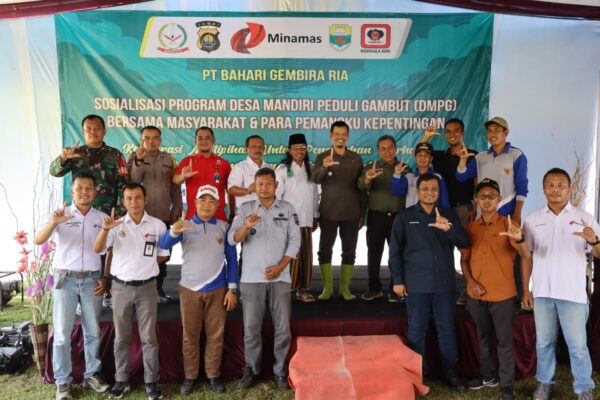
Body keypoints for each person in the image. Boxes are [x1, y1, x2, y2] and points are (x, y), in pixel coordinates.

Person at [521, 168, 598, 400]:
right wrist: (526, 289)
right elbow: (526, 256)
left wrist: (595, 241)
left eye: (561, 185)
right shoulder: (533, 219)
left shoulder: (584, 218)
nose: (556, 189)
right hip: (543, 292)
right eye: (551, 185)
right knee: (544, 343)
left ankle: (584, 387)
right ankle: (545, 383)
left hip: (573, 293)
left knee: (578, 346)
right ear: (544, 188)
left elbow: (599, 252)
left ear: (569, 188)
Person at [389, 173, 469, 391]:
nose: (430, 193)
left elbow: (464, 243)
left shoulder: (448, 214)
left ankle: (450, 372)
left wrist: (449, 229)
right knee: (416, 330)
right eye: (425, 189)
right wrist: (398, 280)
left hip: (444, 283)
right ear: (417, 191)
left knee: (446, 328)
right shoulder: (405, 217)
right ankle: (417, 373)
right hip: (416, 284)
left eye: (434, 189)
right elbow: (395, 251)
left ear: (439, 191)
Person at [34, 173, 111, 400]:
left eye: (89, 188)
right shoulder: (60, 215)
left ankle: (92, 375)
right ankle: (63, 382)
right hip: (65, 280)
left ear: (95, 191)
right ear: (72, 191)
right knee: (61, 334)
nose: (84, 192)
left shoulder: (102, 218)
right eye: (80, 188)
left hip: (92, 280)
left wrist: (105, 277)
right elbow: (38, 240)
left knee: (93, 331)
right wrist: (53, 223)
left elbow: (109, 250)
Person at [158, 185, 238, 395]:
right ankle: (190, 376)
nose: (206, 205)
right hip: (190, 290)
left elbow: (232, 259)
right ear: (194, 202)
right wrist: (174, 231)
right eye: (202, 200)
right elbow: (164, 243)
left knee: (216, 336)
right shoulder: (184, 225)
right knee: (190, 336)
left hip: (218, 289)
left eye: (211, 201)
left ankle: (213, 375)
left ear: (218, 204)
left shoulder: (224, 227)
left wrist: (232, 289)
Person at [93, 183, 169, 400]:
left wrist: (144, 266)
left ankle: (151, 382)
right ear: (123, 202)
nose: (134, 202)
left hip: (147, 287)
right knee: (121, 338)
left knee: (149, 338)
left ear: (146, 199)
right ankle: (121, 380)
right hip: (121, 288)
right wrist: (105, 229)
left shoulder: (157, 225)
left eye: (137, 197)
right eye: (129, 198)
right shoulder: (114, 225)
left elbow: (163, 254)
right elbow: (98, 249)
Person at [228, 168, 301, 390]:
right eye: (260, 184)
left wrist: (280, 267)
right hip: (251, 278)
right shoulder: (245, 208)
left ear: (276, 185)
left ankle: (280, 371)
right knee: (251, 328)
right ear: (255, 185)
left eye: (268, 184)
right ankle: (252, 369)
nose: (264, 188)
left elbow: (295, 242)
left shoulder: (287, 209)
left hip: (280, 278)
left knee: (283, 328)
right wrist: (246, 226)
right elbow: (232, 239)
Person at [459, 178, 530, 400]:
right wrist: (470, 282)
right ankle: (488, 375)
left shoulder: (509, 225)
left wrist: (519, 238)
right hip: (476, 294)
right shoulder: (471, 227)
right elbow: (464, 260)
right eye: (483, 196)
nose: (487, 200)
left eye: (492, 196)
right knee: (483, 337)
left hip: (503, 295)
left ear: (499, 199)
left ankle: (507, 386)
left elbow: (525, 254)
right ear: (477, 200)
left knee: (504, 341)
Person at [420, 120, 478, 305]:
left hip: (463, 209)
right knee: (443, 251)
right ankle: (445, 289)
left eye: (456, 131)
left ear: (463, 133)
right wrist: (426, 137)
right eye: (448, 131)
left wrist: (475, 207)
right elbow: (420, 153)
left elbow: (477, 182)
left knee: (466, 250)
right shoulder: (439, 156)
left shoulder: (472, 155)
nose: (452, 134)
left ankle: (469, 289)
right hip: (441, 210)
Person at [127, 125, 183, 303]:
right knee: (142, 254)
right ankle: (141, 292)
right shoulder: (134, 157)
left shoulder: (168, 158)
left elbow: (175, 187)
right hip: (142, 219)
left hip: (164, 216)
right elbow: (133, 181)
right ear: (141, 140)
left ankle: (158, 289)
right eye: (147, 138)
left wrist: (176, 210)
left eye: (155, 138)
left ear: (160, 140)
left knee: (163, 254)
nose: (151, 142)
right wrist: (139, 161)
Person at [312, 120, 366, 301]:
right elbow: (315, 179)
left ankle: (345, 289)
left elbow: (361, 187)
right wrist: (324, 167)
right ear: (331, 136)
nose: (340, 137)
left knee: (349, 252)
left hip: (352, 213)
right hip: (328, 212)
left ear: (348, 136)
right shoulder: (322, 157)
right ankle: (327, 289)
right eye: (337, 134)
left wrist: (362, 213)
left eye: (343, 134)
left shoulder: (356, 158)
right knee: (324, 251)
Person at [357, 135, 407, 302]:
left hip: (398, 217)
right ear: (378, 151)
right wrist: (367, 178)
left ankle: (395, 288)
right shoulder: (372, 167)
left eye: (390, 148)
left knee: (397, 253)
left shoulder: (404, 168)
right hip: (376, 217)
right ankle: (374, 288)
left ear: (396, 149)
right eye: (383, 149)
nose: (387, 151)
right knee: (374, 253)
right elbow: (360, 185)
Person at [49, 114, 128, 216]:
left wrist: (119, 213)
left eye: (97, 128)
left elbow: (123, 185)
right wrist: (63, 159)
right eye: (88, 129)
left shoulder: (115, 155)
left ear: (104, 131)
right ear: (83, 132)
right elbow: (54, 172)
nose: (92, 132)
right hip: (80, 212)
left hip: (107, 213)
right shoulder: (74, 153)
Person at [456, 117, 528, 223]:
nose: (492, 134)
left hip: (506, 214)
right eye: (489, 131)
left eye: (496, 130)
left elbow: (521, 186)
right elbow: (461, 176)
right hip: (482, 215)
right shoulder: (480, 157)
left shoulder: (516, 155)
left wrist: (517, 214)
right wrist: (462, 160)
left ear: (506, 132)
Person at [275, 133, 319, 303]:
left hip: (306, 220)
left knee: (305, 258)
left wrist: (315, 216)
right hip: (288, 221)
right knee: (288, 256)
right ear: (289, 150)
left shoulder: (311, 169)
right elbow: (277, 196)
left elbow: (315, 195)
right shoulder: (282, 169)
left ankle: (302, 290)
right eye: (296, 148)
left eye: (303, 148)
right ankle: (285, 291)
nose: (300, 151)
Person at [173, 127, 235, 222]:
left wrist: (232, 214)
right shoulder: (188, 161)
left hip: (218, 219)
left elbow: (230, 191)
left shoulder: (224, 163)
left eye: (207, 138)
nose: (204, 141)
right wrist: (183, 176)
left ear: (213, 140)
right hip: (193, 219)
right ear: (195, 141)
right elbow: (175, 180)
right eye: (200, 138)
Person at [391, 142, 450, 209]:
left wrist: (446, 214)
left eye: (426, 155)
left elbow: (444, 201)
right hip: (412, 214)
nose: (422, 158)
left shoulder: (438, 177)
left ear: (431, 159)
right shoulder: (408, 177)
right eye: (420, 155)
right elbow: (397, 192)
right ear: (415, 157)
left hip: (431, 215)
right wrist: (397, 174)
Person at [228, 135, 271, 207]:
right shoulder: (240, 167)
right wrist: (248, 190)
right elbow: (231, 190)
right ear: (246, 149)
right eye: (253, 147)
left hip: (267, 210)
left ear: (264, 149)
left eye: (260, 147)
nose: (257, 149)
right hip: (246, 211)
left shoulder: (269, 168)